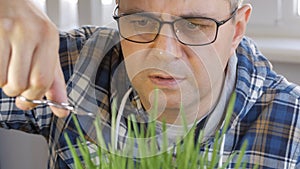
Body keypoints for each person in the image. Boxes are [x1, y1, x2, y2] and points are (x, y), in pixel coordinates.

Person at [0, 0, 299, 168]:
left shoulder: (292, 127)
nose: (163, 53)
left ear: (237, 31)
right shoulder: (75, 66)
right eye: (141, 22)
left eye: (194, 25)